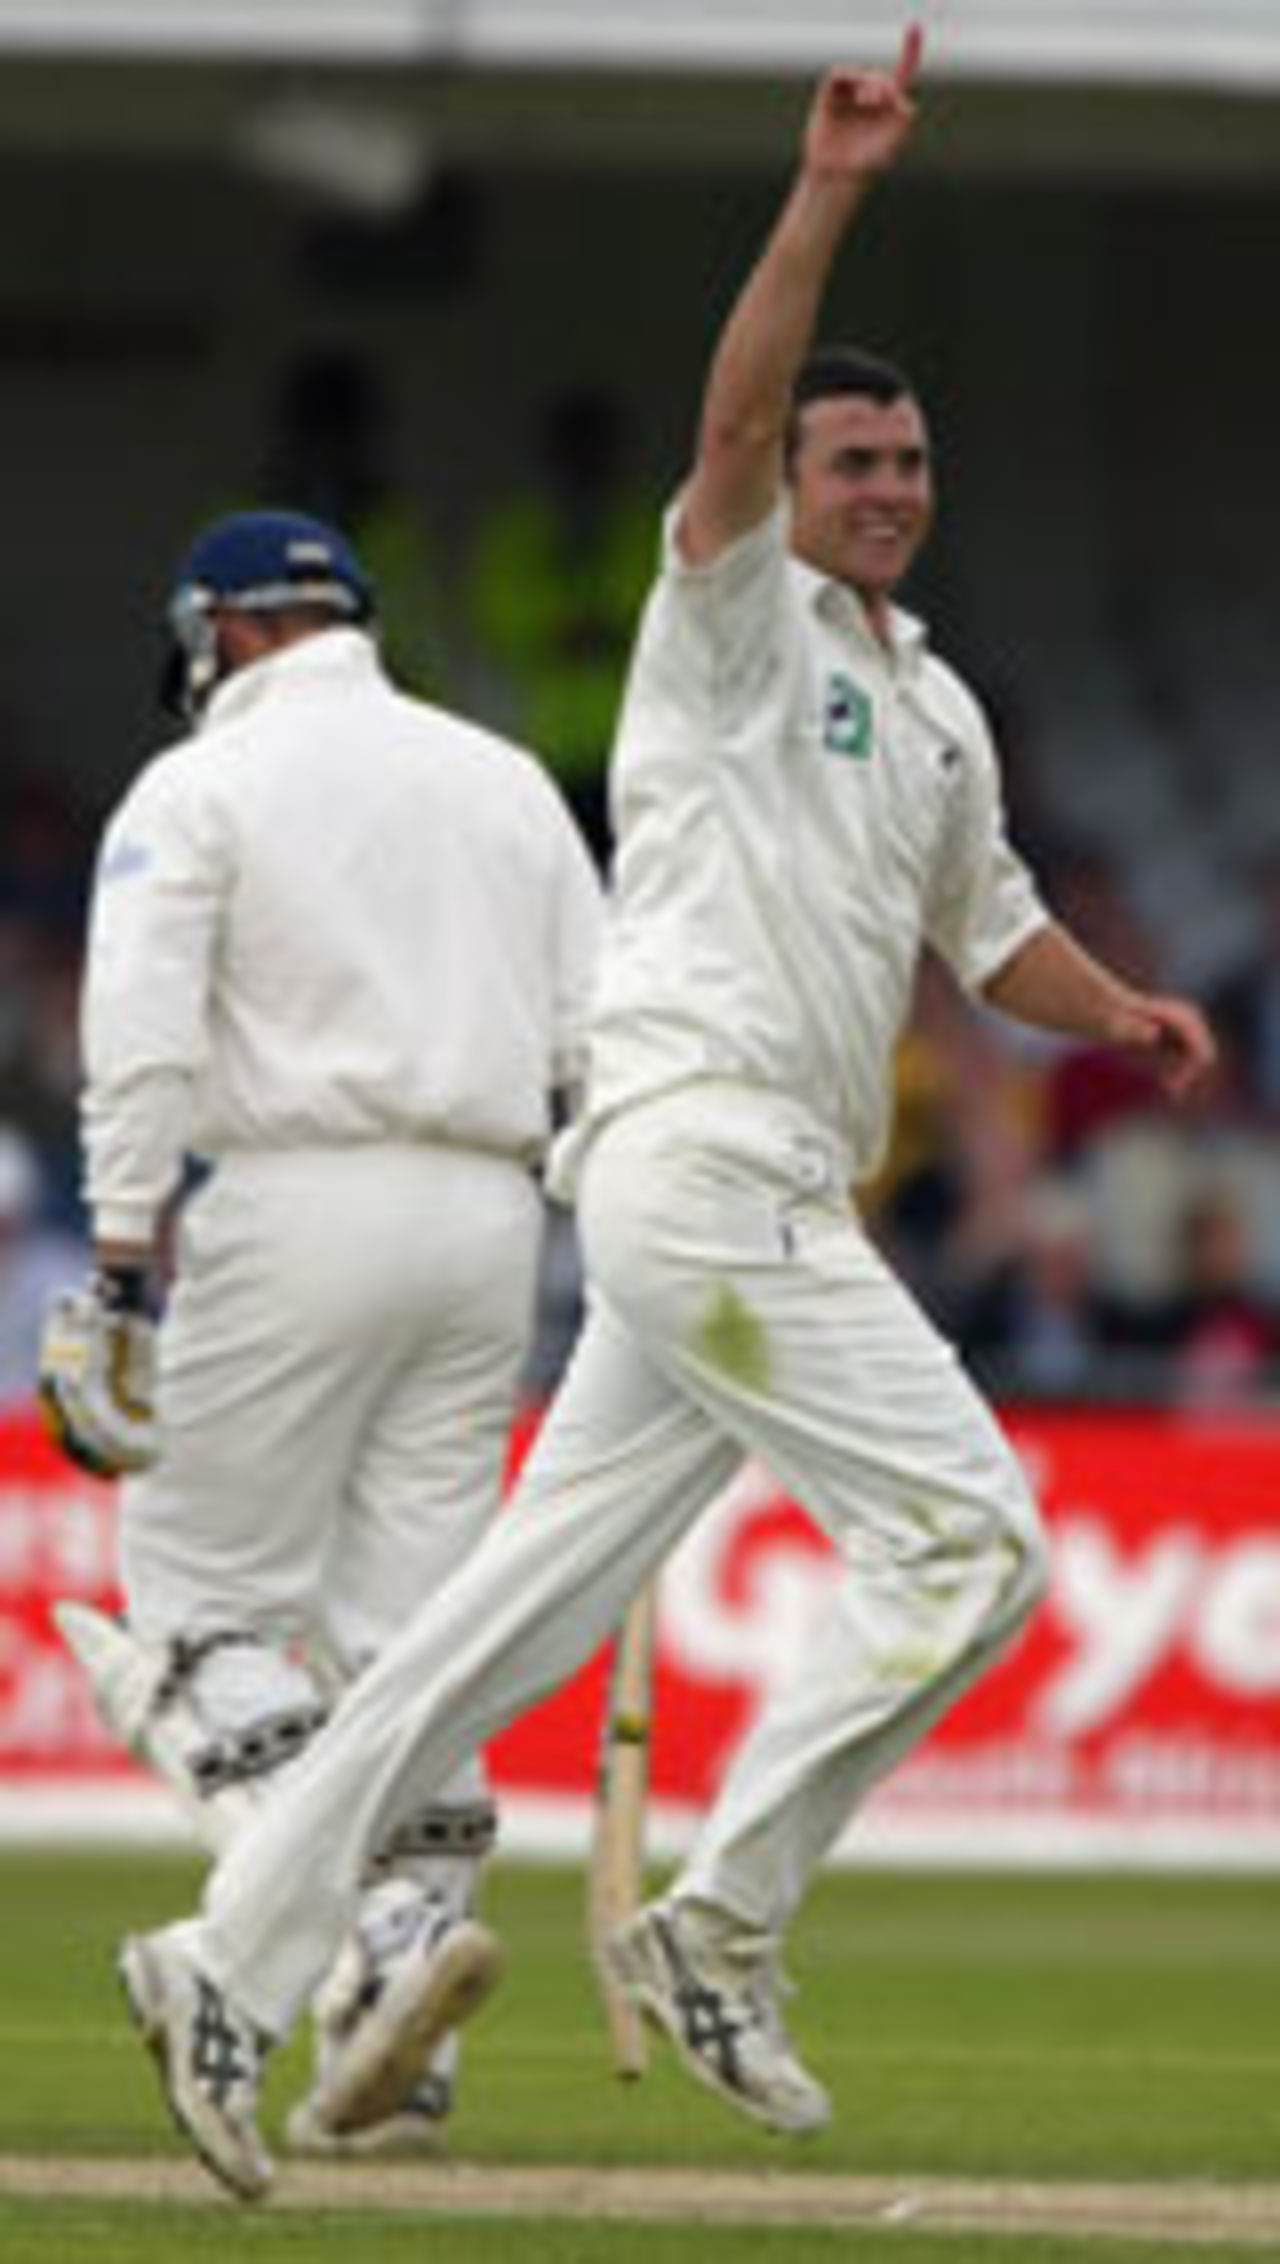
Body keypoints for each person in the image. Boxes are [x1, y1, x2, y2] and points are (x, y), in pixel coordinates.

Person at [115, 35, 1217, 2202]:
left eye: (905, 456)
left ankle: (220, 1960)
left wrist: (1132, 1015)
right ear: (787, 485)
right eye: (848, 458)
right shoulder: (725, 621)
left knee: (481, 1638)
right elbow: (730, 415)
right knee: (973, 1537)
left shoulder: (934, 702)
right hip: (693, 1162)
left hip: (732, 1205)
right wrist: (822, 194)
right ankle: (716, 1920)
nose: (882, 483)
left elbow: (988, 941)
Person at [37, 507, 602, 2159]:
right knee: (410, 1628)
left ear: (222, 634)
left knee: (199, 1608)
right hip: (493, 1222)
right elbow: (604, 1034)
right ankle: (398, 2035)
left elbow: (138, 1040)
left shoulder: (198, 787)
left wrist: (124, 1263)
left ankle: (366, 1937)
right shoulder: (501, 780)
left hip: (296, 1201)